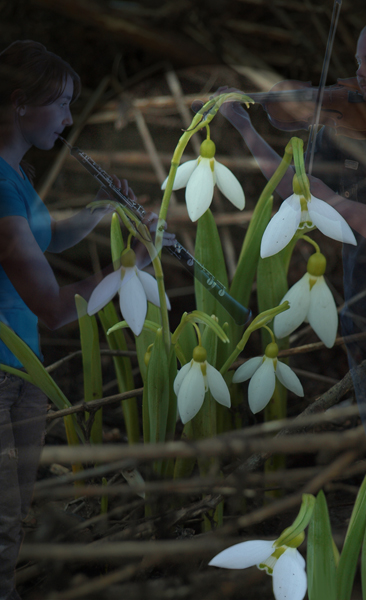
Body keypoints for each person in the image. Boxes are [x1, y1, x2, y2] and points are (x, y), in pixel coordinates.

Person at [218, 14, 366, 467]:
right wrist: (246, 130)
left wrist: (333, 205)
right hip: (365, 323)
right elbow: (295, 189)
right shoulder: (349, 131)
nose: (358, 73)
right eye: (358, 61)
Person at [0, 40, 162, 600]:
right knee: (0, 524)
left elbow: (46, 236)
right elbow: (51, 307)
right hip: (1, 373)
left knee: (12, 515)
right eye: (63, 104)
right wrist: (131, 264)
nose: (71, 119)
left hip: (24, 372)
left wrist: (99, 209)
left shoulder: (16, 175)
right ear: (21, 103)